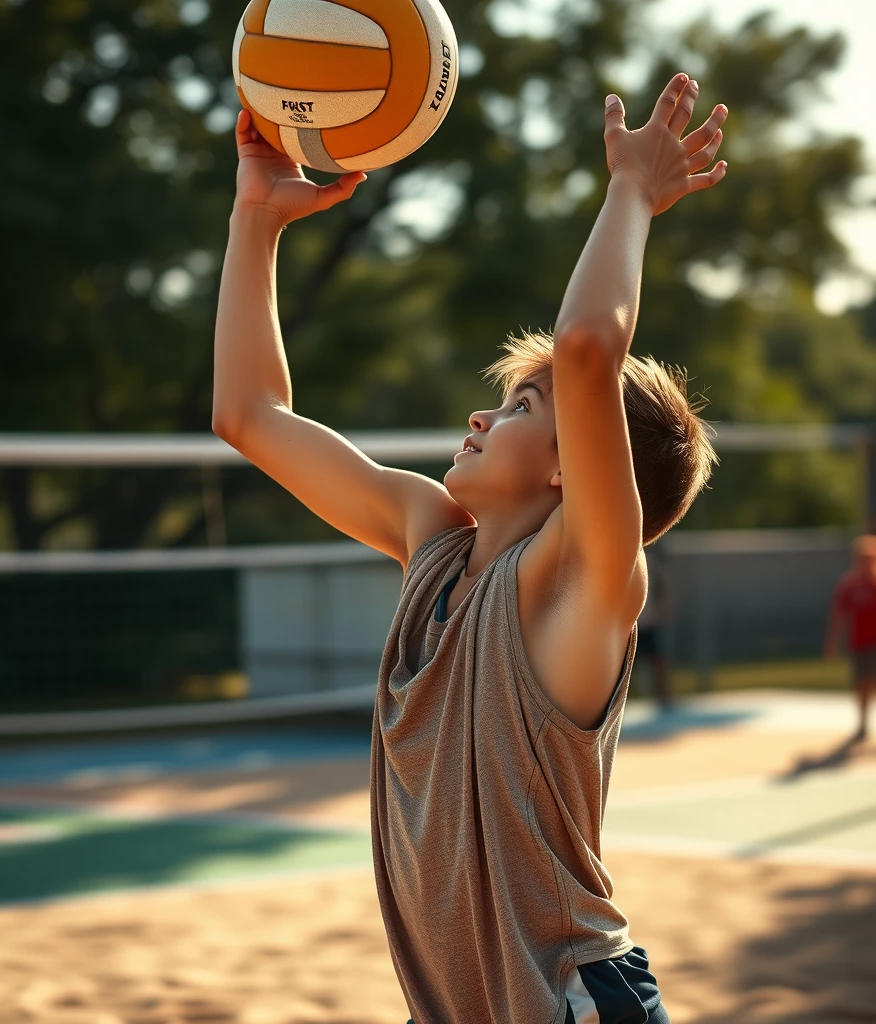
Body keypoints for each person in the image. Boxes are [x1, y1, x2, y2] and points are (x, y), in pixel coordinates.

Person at [214, 73, 726, 1024]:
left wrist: (632, 192)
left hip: (571, 1005)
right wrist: (257, 218)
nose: (484, 412)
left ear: (575, 465)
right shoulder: (434, 547)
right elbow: (249, 414)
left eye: (522, 407)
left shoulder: (581, 585)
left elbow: (584, 351)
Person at [825, 534, 876, 742]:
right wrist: (832, 642)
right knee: (861, 683)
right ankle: (863, 722)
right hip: (860, 643)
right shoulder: (849, 585)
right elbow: (839, 615)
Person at [637, 542, 676, 711]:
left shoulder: (654, 564)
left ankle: (665, 700)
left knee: (659, 662)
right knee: (625, 671)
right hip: (633, 626)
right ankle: (617, 707)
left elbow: (663, 590)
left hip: (651, 623)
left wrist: (663, 612)